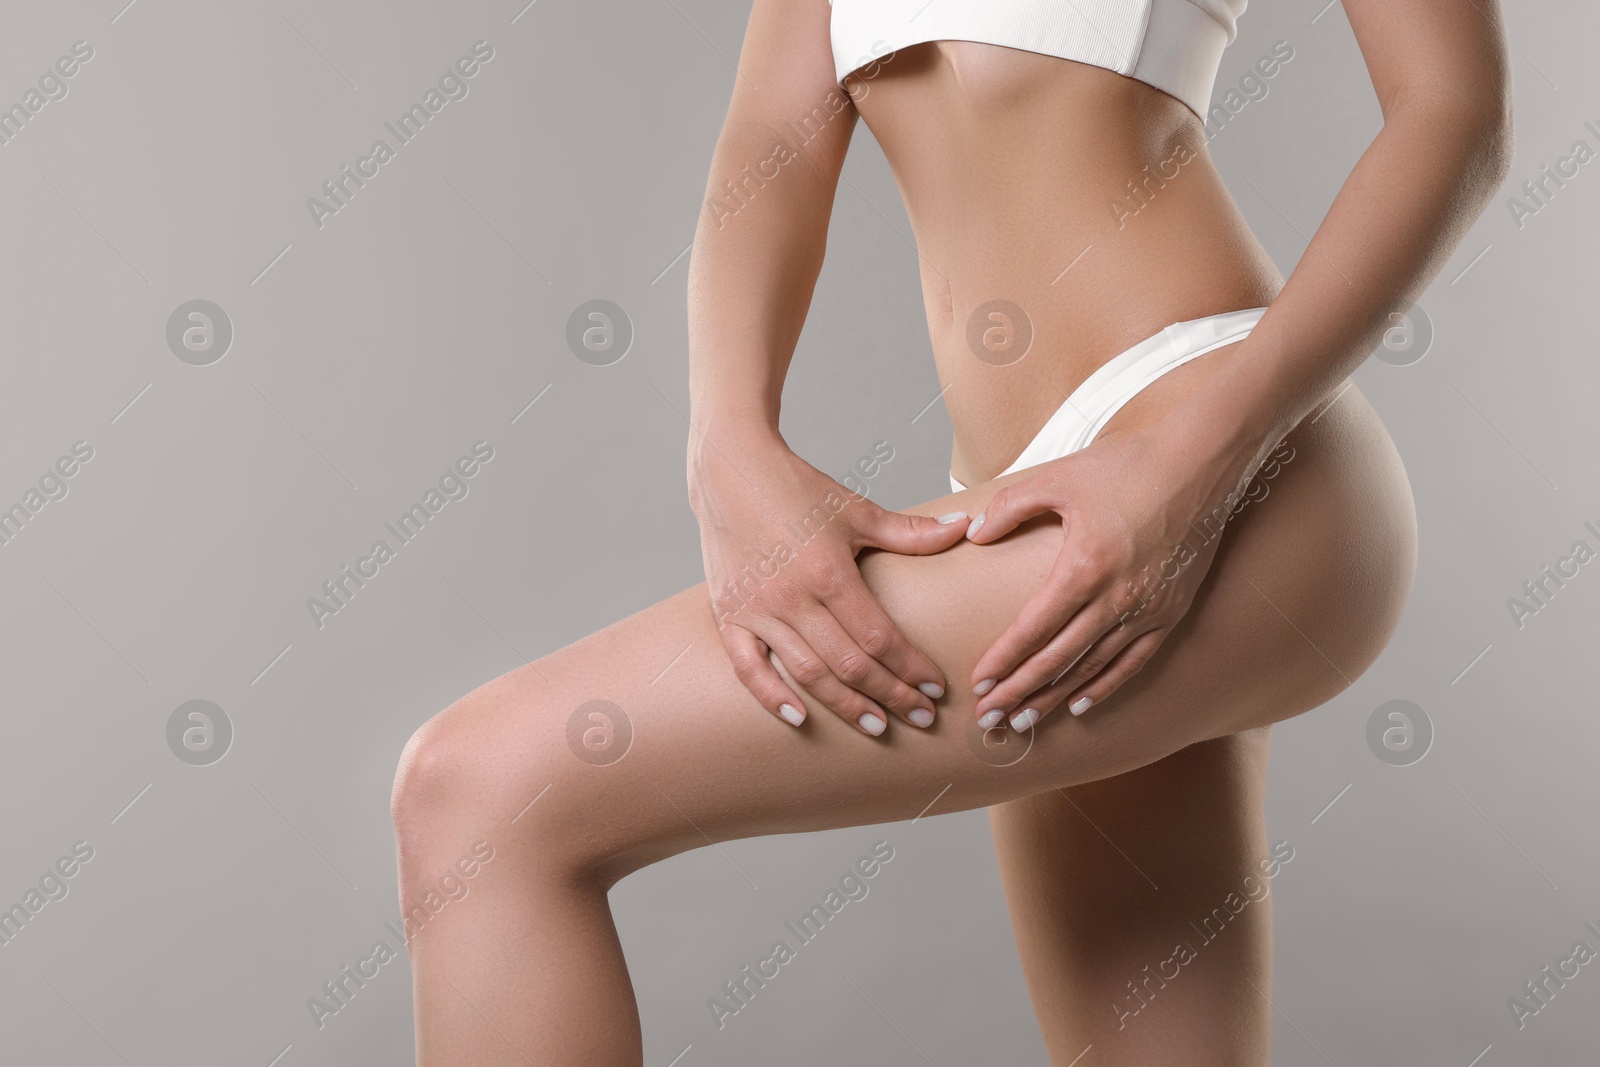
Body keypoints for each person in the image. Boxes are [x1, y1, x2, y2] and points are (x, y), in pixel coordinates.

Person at [391, 1, 1512, 1062]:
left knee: (481, 794)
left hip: (1223, 451)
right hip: (1022, 489)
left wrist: (1190, 473)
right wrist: (727, 443)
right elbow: (768, 139)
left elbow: (1453, 109)